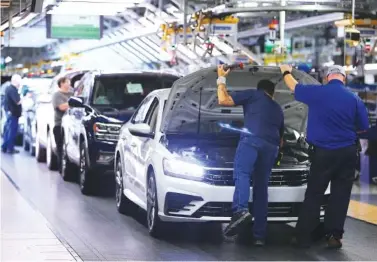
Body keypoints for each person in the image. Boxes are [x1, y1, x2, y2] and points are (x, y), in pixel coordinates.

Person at [279, 64, 369, 249]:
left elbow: (293, 86)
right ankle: (334, 236)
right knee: (341, 195)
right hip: (347, 153)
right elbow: (363, 127)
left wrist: (285, 71)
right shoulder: (354, 99)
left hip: (323, 153)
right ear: (343, 78)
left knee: (314, 193)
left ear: (327, 77)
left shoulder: (317, 92)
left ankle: (303, 236)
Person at [217, 65, 284, 246]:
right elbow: (282, 139)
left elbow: (223, 100)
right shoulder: (278, 108)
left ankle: (241, 210)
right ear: (273, 93)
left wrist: (221, 79)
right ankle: (259, 236)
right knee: (261, 187)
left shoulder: (254, 95)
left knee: (242, 173)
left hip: (252, 141)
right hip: (271, 147)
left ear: (260, 90)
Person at [52, 77, 73, 171]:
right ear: (62, 83)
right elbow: (61, 107)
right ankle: (61, 168)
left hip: (71, 126)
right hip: (59, 125)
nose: (69, 84)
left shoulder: (72, 94)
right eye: (67, 82)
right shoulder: (57, 95)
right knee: (60, 148)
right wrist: (72, 103)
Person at [1, 74, 22, 154]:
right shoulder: (12, 90)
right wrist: (24, 98)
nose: (20, 83)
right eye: (19, 81)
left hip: (10, 113)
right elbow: (17, 101)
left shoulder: (9, 88)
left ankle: (5, 147)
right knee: (12, 131)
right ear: (15, 81)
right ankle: (10, 148)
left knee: (8, 130)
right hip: (12, 113)